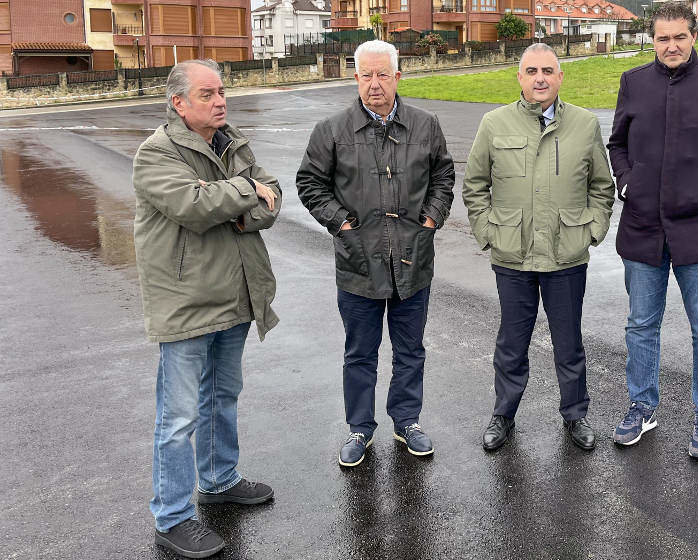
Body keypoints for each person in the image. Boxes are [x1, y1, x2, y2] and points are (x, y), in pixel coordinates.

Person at [132, 59, 281, 558]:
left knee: (222, 397)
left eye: (221, 92)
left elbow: (273, 196)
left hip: (235, 296)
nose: (220, 101)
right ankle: (172, 517)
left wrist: (243, 206)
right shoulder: (156, 153)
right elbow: (194, 207)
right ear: (178, 103)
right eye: (206, 94)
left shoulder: (232, 141)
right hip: (187, 304)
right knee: (177, 418)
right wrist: (245, 192)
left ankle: (218, 480)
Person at [296, 40, 455, 468]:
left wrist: (430, 221)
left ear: (398, 76)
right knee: (360, 352)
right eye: (366, 75)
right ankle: (359, 428)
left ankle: (407, 421)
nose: (374, 84)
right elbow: (310, 183)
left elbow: (443, 176)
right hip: (358, 262)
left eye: (382, 74)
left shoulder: (425, 125)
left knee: (410, 349)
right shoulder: (332, 131)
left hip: (412, 260)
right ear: (355, 78)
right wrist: (342, 224)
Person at [607, 1, 698, 459]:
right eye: (662, 38)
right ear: (652, 40)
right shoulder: (633, 83)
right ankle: (642, 407)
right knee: (640, 325)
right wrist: (627, 181)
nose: (671, 45)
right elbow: (617, 143)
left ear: (694, 36)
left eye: (679, 37)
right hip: (643, 226)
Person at [462, 43, 615, 452]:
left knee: (569, 343)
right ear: (520, 78)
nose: (540, 78)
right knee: (511, 343)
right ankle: (503, 414)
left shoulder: (584, 124)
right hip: (512, 255)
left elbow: (603, 187)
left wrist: (591, 231)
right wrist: (489, 232)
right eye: (531, 71)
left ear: (561, 77)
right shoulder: (494, 124)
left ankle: (576, 414)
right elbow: (475, 185)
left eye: (548, 70)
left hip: (566, 256)